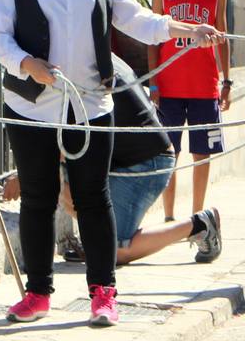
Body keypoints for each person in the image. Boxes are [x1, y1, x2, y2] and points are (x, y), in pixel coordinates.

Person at [0, 0, 222, 328]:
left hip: (91, 104)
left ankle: (103, 294)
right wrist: (27, 64)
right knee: (38, 199)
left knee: (94, 198)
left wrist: (187, 29)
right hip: (31, 106)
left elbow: (136, 19)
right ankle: (37, 294)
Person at [59, 56, 222, 266]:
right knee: (65, 187)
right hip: (128, 158)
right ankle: (97, 239)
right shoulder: (90, 55)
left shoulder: (78, 68)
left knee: (116, 251)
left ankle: (199, 225)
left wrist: (25, 175)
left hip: (147, 162)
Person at [149, 0, 231, 223]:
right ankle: (169, 216)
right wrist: (153, 81)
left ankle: (197, 214)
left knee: (202, 153)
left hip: (204, 87)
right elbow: (153, 40)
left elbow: (223, 37)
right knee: (170, 153)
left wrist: (227, 81)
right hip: (169, 87)